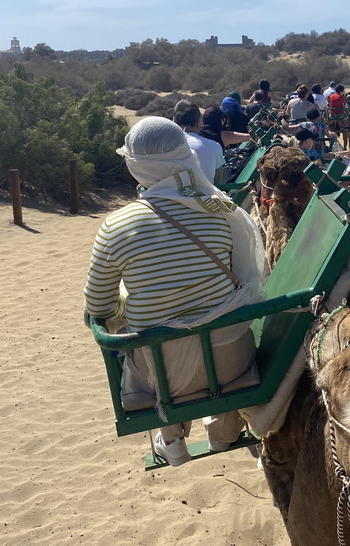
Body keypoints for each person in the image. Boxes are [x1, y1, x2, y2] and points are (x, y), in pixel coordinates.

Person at [83, 117, 266, 466]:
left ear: (136, 166)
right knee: (215, 322)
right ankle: (224, 433)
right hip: (231, 363)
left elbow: (97, 305)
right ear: (186, 156)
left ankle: (171, 439)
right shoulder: (221, 209)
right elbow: (244, 278)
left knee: (137, 328)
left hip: (162, 378)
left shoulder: (115, 226)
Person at [174, 100, 224, 183]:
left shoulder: (164, 146)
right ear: (198, 122)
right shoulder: (214, 146)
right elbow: (218, 181)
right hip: (206, 195)